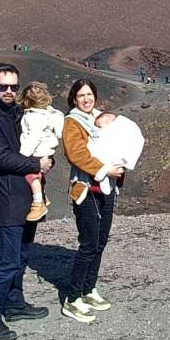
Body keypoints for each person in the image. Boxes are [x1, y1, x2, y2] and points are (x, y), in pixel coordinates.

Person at [0, 63, 52, 340]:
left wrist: (48, 160)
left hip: (30, 197)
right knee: (7, 262)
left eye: (13, 87)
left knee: (21, 256)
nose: (9, 91)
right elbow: (1, 157)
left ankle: (16, 304)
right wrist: (36, 163)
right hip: (8, 200)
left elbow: (38, 138)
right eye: (3, 86)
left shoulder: (18, 112)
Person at [59, 79, 125, 324]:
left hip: (107, 189)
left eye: (89, 94)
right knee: (88, 243)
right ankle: (72, 298)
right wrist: (105, 169)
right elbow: (76, 154)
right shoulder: (72, 122)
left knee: (100, 241)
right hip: (86, 189)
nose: (86, 99)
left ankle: (89, 288)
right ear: (74, 99)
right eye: (81, 95)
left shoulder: (101, 120)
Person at [18, 82, 65, 221]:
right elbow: (59, 132)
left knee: (30, 175)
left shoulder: (33, 117)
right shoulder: (52, 114)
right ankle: (42, 195)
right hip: (48, 151)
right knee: (38, 175)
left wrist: (22, 154)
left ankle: (38, 203)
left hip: (37, 151)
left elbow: (32, 137)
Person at [87, 112, 145, 197]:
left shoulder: (121, 129)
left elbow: (135, 142)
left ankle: (104, 175)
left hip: (116, 163)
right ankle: (105, 178)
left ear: (109, 122)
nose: (98, 129)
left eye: (99, 126)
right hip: (115, 166)